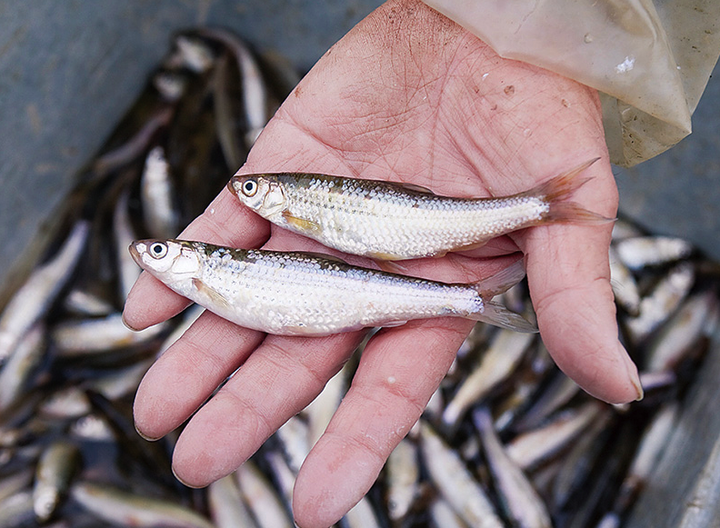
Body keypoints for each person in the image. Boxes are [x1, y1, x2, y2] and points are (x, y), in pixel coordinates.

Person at [123, 1, 720, 527]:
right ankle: (491, 273)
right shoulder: (229, 255)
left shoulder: (270, 218)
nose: (246, 194)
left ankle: (534, 212)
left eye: (159, 253)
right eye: (159, 254)